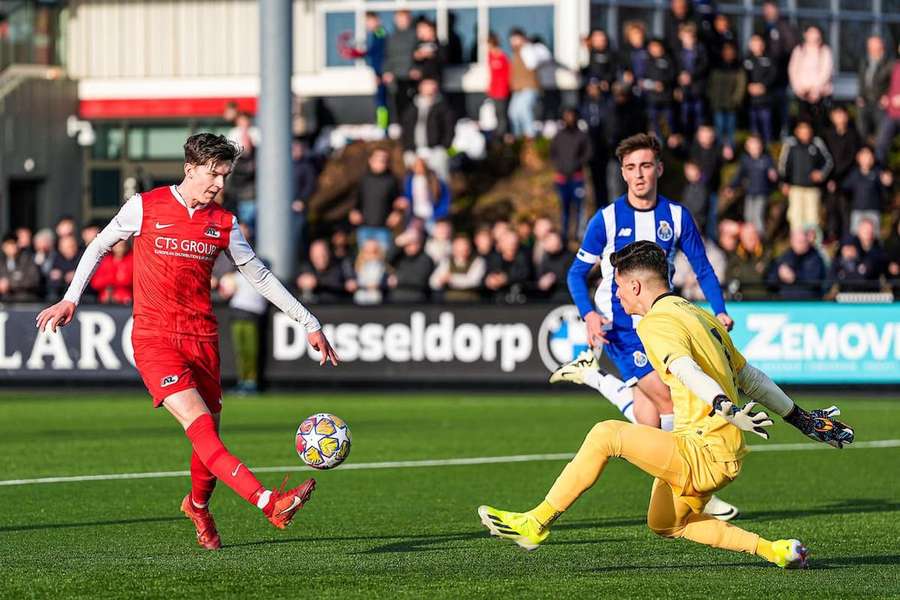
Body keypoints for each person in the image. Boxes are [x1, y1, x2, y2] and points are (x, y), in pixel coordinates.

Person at [35, 133, 339, 550]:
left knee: (208, 435)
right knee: (201, 430)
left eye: (225, 175)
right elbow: (99, 246)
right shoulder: (144, 206)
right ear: (190, 168)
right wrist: (72, 299)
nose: (218, 183)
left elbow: (261, 277)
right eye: (213, 173)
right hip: (154, 339)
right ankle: (269, 502)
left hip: (202, 339)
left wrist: (308, 321)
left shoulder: (225, 224)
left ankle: (197, 506)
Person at [479, 240, 854, 565]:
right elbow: (749, 376)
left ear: (636, 284)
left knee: (605, 434)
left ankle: (536, 523)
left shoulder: (655, 322)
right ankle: (774, 550)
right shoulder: (699, 315)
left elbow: (686, 369)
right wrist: (800, 418)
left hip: (703, 449)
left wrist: (723, 405)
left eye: (619, 288)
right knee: (666, 523)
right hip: (721, 450)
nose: (618, 297)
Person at [550, 133, 739, 520]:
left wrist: (719, 310)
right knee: (671, 400)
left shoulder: (676, 216)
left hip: (663, 320)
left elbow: (701, 267)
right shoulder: (605, 219)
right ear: (622, 172)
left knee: (649, 419)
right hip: (622, 326)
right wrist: (588, 313)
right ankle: (693, 489)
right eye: (631, 168)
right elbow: (575, 273)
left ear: (659, 169)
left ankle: (596, 378)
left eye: (646, 166)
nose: (639, 175)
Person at [778, 120, 833, 236]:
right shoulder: (790, 144)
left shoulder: (817, 143)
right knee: (795, 217)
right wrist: (784, 182)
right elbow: (783, 165)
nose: (805, 132)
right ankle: (797, 242)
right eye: (802, 129)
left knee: (813, 217)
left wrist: (821, 174)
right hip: (795, 188)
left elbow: (828, 161)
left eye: (807, 129)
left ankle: (813, 245)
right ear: (797, 131)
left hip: (812, 189)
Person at [550, 107, 592, 243]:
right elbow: (553, 154)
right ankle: (564, 235)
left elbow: (588, 153)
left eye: (572, 116)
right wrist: (560, 167)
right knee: (564, 208)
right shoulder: (558, 136)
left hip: (577, 178)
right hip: (562, 179)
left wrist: (577, 164)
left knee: (580, 208)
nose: (569, 119)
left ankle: (580, 235)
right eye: (567, 116)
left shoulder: (582, 136)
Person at [349, 148, 405, 251]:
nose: (381, 162)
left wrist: (398, 213)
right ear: (370, 160)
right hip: (364, 228)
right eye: (378, 159)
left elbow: (400, 202)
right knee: (364, 262)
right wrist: (354, 212)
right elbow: (356, 201)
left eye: (384, 160)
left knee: (383, 262)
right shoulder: (363, 180)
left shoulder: (392, 181)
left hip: (384, 229)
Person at [340, 12, 388, 129]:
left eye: (369, 21)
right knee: (379, 100)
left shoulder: (380, 32)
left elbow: (378, 52)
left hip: (381, 71)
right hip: (378, 71)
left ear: (377, 21)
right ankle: (382, 125)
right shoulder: (375, 34)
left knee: (382, 101)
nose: (367, 25)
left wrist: (358, 53)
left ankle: (383, 127)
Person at [400, 77, 455, 180]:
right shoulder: (411, 107)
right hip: (414, 150)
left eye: (432, 84)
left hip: (436, 150)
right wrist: (408, 149)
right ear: (420, 87)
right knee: (415, 181)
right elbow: (405, 130)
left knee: (440, 180)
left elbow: (449, 129)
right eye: (426, 84)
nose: (430, 87)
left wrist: (444, 147)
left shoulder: (443, 107)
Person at [724, 134, 777, 236]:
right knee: (748, 216)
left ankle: (759, 239)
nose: (755, 149)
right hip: (750, 193)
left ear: (761, 146)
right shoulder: (745, 160)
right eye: (752, 146)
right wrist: (731, 187)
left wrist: (774, 176)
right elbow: (739, 176)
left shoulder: (767, 160)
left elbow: (773, 174)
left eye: (757, 146)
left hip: (762, 193)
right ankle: (748, 238)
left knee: (758, 216)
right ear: (747, 148)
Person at [760, 0, 799, 137]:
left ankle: (784, 133)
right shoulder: (765, 27)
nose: (767, 12)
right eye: (765, 9)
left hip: (781, 75)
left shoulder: (784, 26)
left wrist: (778, 60)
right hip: (768, 76)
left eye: (770, 9)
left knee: (782, 106)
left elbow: (790, 47)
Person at [841, 146, 893, 236]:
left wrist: (888, 184)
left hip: (873, 211)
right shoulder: (854, 173)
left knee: (874, 237)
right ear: (858, 157)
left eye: (869, 155)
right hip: (857, 211)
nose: (867, 158)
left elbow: (886, 191)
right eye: (864, 155)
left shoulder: (878, 172)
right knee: (855, 237)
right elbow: (844, 188)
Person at [788, 26, 833, 130]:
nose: (813, 36)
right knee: (803, 123)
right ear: (805, 35)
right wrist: (798, 89)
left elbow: (826, 72)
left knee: (820, 123)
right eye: (810, 33)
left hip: (820, 94)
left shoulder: (825, 51)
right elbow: (793, 70)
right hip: (802, 94)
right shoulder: (799, 50)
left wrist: (815, 90)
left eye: (815, 33)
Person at [708, 41, 745, 157]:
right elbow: (711, 85)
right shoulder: (716, 67)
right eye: (726, 51)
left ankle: (730, 153)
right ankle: (719, 152)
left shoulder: (738, 68)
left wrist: (736, 100)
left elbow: (741, 85)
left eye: (730, 51)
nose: (728, 53)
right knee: (719, 129)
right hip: (718, 103)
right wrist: (713, 99)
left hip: (731, 105)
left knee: (730, 130)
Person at [767, 228, 827, 299]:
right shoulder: (784, 257)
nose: (800, 244)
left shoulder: (815, 258)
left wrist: (794, 276)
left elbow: (814, 281)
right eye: (797, 241)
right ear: (791, 241)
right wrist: (779, 274)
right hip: (785, 303)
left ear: (807, 240)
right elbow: (770, 280)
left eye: (802, 241)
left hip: (808, 303)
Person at [674, 23, 709, 143]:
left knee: (699, 116)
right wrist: (679, 81)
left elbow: (704, 66)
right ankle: (686, 142)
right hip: (684, 90)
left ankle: (698, 141)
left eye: (691, 36)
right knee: (685, 116)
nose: (688, 38)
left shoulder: (701, 49)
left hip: (697, 89)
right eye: (685, 35)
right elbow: (675, 69)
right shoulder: (678, 51)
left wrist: (691, 76)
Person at [382, 10, 417, 123]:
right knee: (397, 106)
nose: (402, 21)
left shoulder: (415, 35)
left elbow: (419, 56)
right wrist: (387, 71)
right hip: (396, 77)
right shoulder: (391, 37)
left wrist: (416, 69)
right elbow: (386, 56)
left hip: (411, 77)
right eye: (399, 19)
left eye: (404, 18)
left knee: (412, 106)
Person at [429, 234, 486, 302]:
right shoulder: (446, 261)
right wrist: (441, 280)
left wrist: (451, 278)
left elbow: (473, 281)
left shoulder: (478, 261)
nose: (461, 249)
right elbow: (433, 282)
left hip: (470, 302)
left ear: (469, 248)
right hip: (449, 302)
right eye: (458, 246)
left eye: (464, 246)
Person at [856, 36, 892, 144]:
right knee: (862, 132)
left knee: (880, 136)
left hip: (880, 103)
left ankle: (878, 159)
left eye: (875, 47)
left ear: (881, 47)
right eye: (870, 47)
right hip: (864, 102)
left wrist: (887, 97)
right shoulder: (864, 62)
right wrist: (860, 96)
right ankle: (864, 156)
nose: (872, 49)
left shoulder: (889, 63)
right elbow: (861, 81)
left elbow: (893, 83)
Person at [296, 239, 356, 304]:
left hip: (340, 306)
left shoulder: (341, 264)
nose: (321, 259)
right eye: (317, 256)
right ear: (311, 255)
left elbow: (351, 282)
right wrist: (302, 282)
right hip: (315, 308)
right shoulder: (307, 267)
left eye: (323, 255)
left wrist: (350, 283)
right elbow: (298, 281)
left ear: (329, 253)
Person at [743, 34, 777, 145]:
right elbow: (742, 76)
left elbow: (773, 75)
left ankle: (768, 148)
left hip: (765, 100)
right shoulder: (746, 60)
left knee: (766, 126)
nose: (757, 46)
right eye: (754, 43)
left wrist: (763, 86)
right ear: (750, 45)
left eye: (759, 43)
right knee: (754, 127)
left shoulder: (769, 59)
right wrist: (748, 86)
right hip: (751, 100)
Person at [508, 28, 541, 139]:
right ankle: (518, 137)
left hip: (528, 87)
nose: (513, 42)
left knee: (524, 111)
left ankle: (529, 137)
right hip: (518, 89)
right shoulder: (516, 53)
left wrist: (526, 48)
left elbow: (532, 64)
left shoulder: (527, 49)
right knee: (513, 113)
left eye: (515, 39)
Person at [484, 229, 533, 304]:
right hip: (497, 302)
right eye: (508, 243)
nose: (511, 246)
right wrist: (488, 280)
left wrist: (506, 278)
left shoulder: (524, 257)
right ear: (500, 244)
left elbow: (525, 273)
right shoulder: (493, 259)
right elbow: (485, 275)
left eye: (514, 243)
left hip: (521, 301)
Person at [403, 156, 451, 233]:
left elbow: (445, 198)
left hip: (432, 216)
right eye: (417, 165)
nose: (419, 168)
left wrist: (440, 214)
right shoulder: (409, 180)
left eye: (422, 165)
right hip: (416, 216)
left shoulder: (435, 180)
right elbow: (407, 197)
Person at [725, 223, 771, 300]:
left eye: (753, 234)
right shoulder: (734, 257)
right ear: (741, 237)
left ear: (757, 236)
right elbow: (729, 281)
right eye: (747, 235)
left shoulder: (767, 254)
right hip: (742, 303)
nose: (750, 238)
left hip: (764, 302)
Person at [387, 228, 434, 303]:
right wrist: (397, 243)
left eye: (414, 242)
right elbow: (388, 259)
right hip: (396, 299)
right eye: (408, 243)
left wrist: (398, 279)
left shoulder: (425, 259)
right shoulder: (400, 256)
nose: (410, 246)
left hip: (416, 299)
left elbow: (419, 280)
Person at [643, 39, 676, 142]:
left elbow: (673, 75)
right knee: (653, 122)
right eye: (652, 47)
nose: (654, 49)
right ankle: (655, 141)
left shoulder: (668, 60)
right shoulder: (647, 61)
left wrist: (663, 83)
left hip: (666, 98)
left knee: (667, 123)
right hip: (652, 99)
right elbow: (642, 78)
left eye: (656, 47)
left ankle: (667, 141)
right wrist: (651, 85)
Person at [90, 239, 133, 304]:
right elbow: (95, 283)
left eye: (121, 244)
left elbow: (130, 280)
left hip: (126, 300)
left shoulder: (132, 259)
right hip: (104, 300)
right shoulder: (105, 260)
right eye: (117, 244)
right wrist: (112, 279)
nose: (119, 246)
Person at [535, 230, 574, 301]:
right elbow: (539, 275)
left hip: (566, 296)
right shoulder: (545, 258)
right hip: (548, 297)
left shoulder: (569, 257)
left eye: (552, 240)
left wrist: (553, 278)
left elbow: (570, 276)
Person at [0, 233, 40, 301]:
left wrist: (10, 283)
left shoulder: (28, 260)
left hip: (25, 301)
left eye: (13, 243)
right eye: (8, 244)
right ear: (3, 247)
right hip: (5, 302)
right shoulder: (2, 263)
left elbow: (34, 280)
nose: (11, 247)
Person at [486, 32, 511, 139]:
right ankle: (499, 133)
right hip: (494, 89)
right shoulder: (490, 56)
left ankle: (503, 134)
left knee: (502, 113)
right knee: (497, 112)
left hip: (502, 89)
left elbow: (508, 73)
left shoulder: (502, 57)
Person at [410, 18, 447, 87]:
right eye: (418, 30)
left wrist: (431, 55)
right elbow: (413, 62)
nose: (420, 33)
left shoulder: (439, 45)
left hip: (434, 81)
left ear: (431, 29)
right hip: (420, 83)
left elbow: (443, 59)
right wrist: (417, 57)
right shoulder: (417, 45)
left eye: (422, 29)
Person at [353, 238, 387, 305]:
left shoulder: (381, 265)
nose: (370, 255)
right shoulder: (357, 265)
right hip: (359, 300)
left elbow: (377, 282)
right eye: (367, 251)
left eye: (374, 252)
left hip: (376, 300)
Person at [680, 161, 708, 233]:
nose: (687, 173)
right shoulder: (688, 187)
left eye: (690, 170)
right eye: (686, 170)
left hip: (697, 220)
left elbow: (699, 206)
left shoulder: (702, 187)